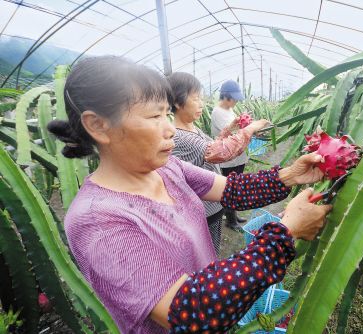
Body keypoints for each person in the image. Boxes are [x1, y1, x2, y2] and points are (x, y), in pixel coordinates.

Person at [47, 56, 332, 333]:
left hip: (220, 307)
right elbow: (189, 312)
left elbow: (231, 190)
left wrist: (290, 175)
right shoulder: (96, 221)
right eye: (154, 115)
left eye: (166, 114)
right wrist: (285, 231)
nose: (170, 128)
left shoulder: (167, 167)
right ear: (98, 125)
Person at [167, 72, 269, 255]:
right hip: (202, 210)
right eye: (196, 99)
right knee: (206, 252)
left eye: (201, 99)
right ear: (176, 102)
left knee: (211, 246)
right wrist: (251, 128)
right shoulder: (179, 136)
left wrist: (230, 128)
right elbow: (221, 152)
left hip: (212, 206)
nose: (201, 104)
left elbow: (213, 144)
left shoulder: (192, 127)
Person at [211, 80, 251, 230]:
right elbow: (232, 134)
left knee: (236, 186)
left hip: (237, 158)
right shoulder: (218, 112)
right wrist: (249, 128)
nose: (236, 102)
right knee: (229, 188)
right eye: (235, 98)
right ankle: (230, 220)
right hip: (228, 160)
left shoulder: (229, 110)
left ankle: (233, 215)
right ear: (227, 96)